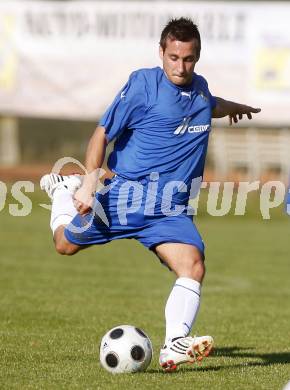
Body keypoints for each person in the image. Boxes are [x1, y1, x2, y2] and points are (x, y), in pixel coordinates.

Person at [40, 17, 261, 371]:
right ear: (161, 52)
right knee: (64, 244)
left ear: (197, 56)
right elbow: (102, 133)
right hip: (124, 197)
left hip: (169, 211)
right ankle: (61, 194)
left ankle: (174, 345)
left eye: (188, 59)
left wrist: (236, 108)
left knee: (193, 265)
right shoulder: (143, 84)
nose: (180, 66)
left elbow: (209, 102)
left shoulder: (200, 89)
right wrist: (88, 182)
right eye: (173, 57)